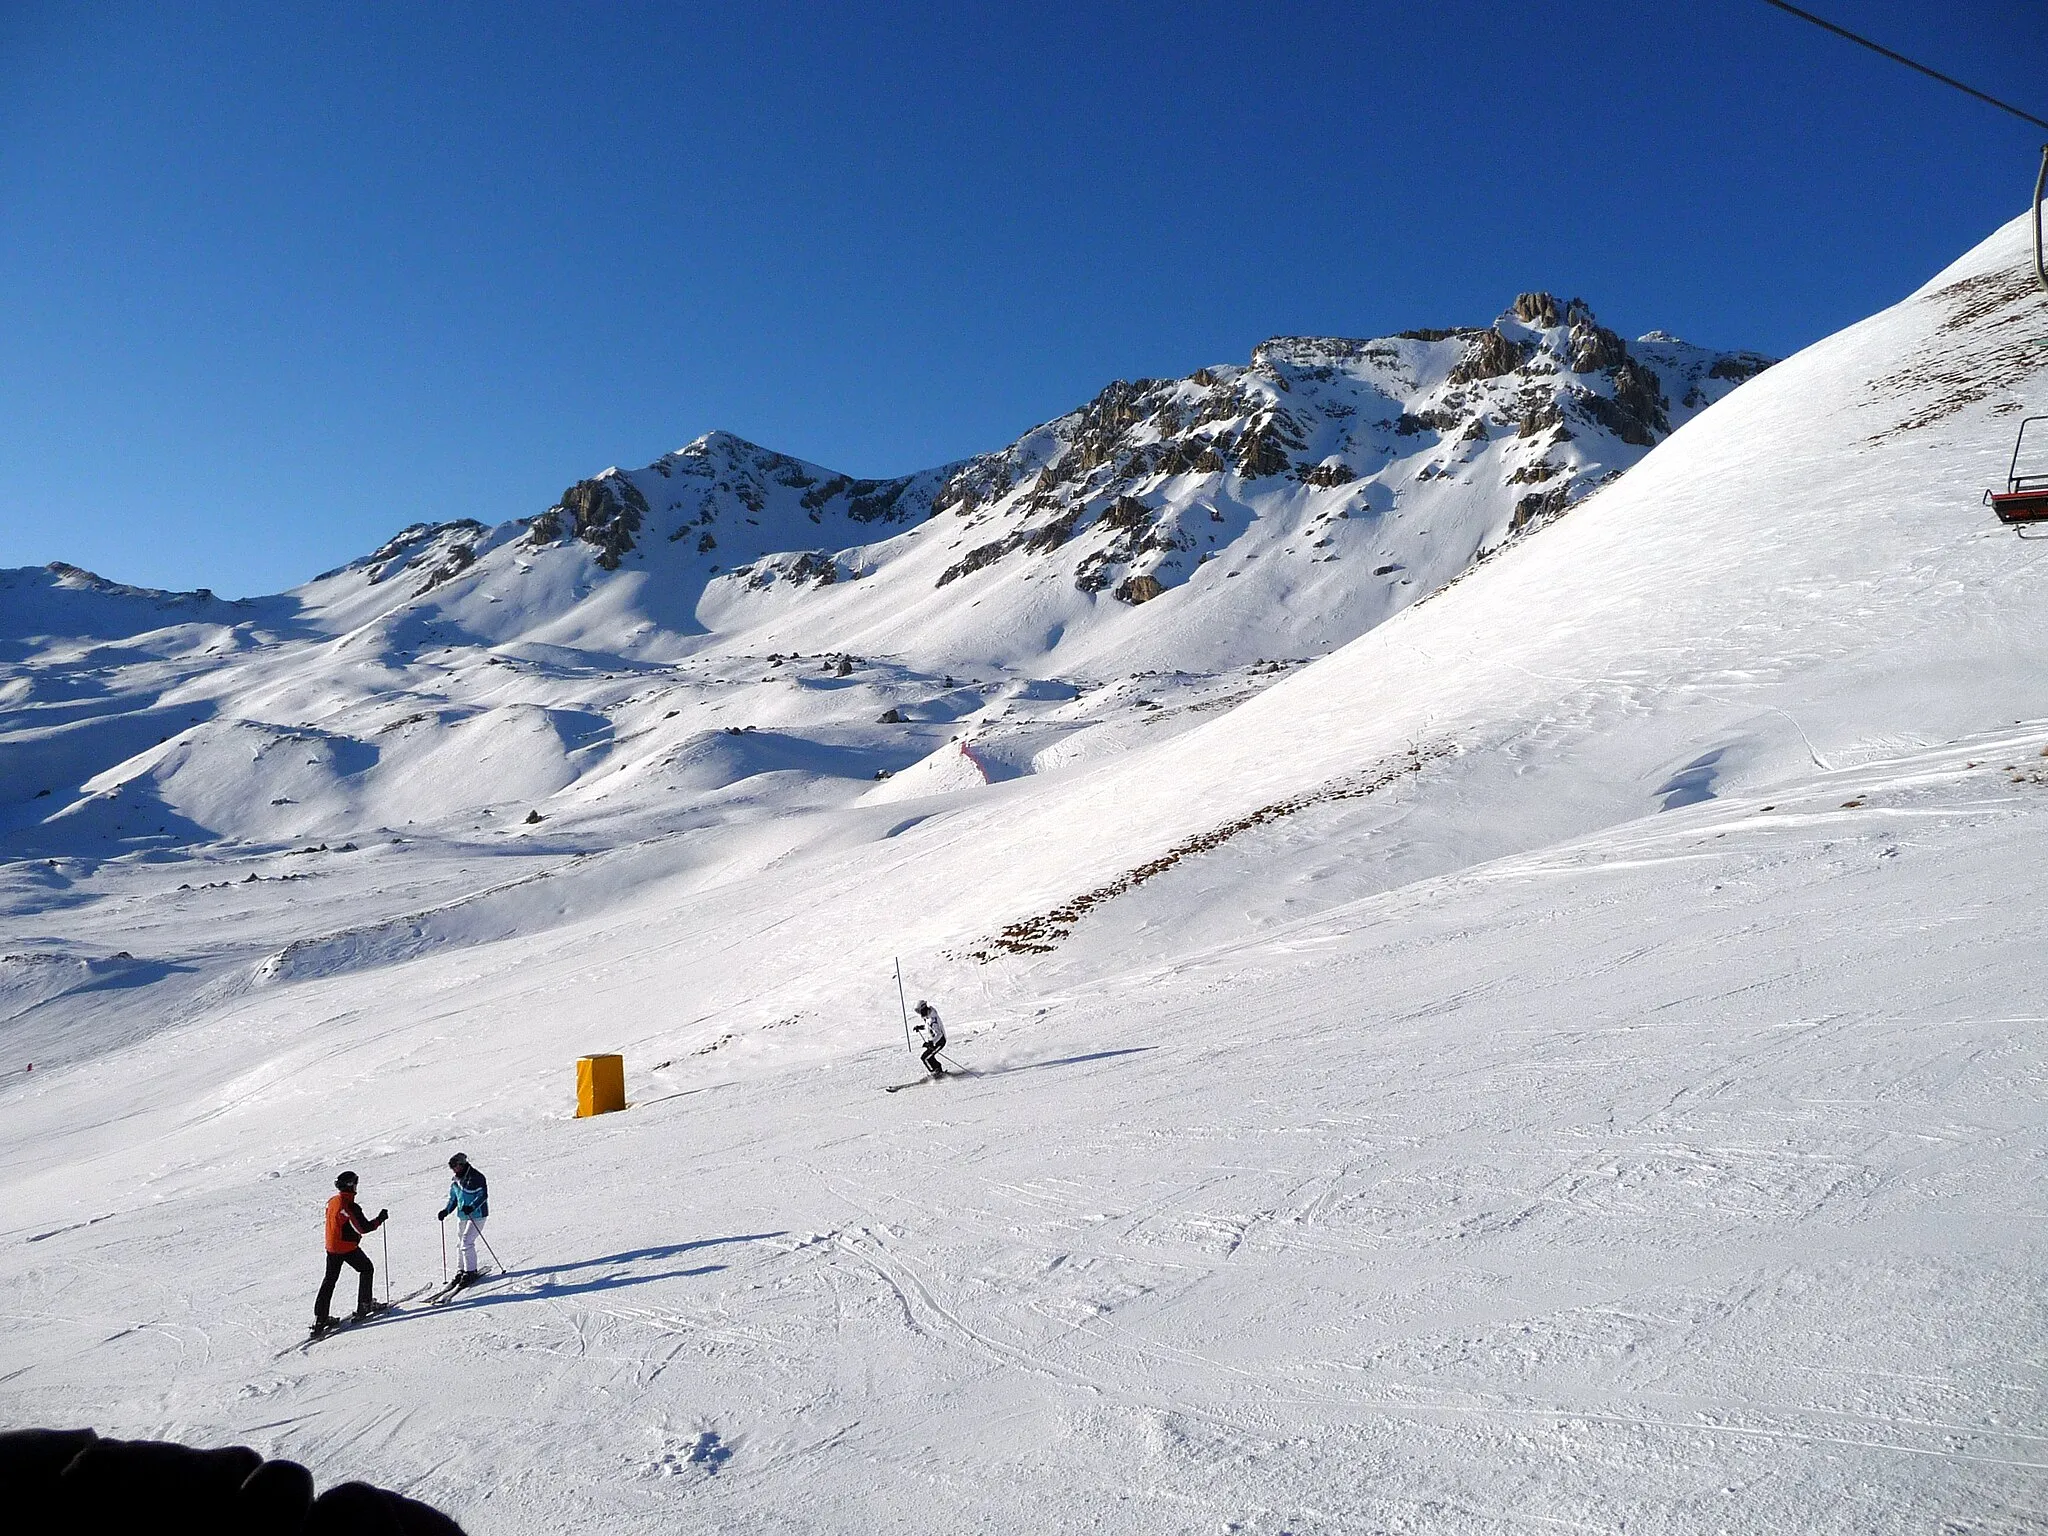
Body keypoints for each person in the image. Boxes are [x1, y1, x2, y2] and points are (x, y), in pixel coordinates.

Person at [315, 1171, 387, 1328]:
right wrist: (380, 1219)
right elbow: (363, 1228)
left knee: (329, 1280)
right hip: (345, 1247)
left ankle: (321, 1318)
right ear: (351, 1186)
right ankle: (364, 1304)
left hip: (331, 1247)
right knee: (366, 1268)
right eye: (355, 1183)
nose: (356, 1186)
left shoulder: (332, 1201)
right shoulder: (349, 1206)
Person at [437, 1153, 489, 1283]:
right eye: (452, 1167)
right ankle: (461, 1270)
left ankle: (471, 1271)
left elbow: (483, 1195)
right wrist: (446, 1211)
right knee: (460, 1243)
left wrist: (472, 1207)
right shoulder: (456, 1181)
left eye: (455, 1166)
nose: (453, 1169)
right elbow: (453, 1199)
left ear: (462, 1164)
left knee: (466, 1241)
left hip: (477, 1215)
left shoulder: (476, 1177)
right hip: (463, 1216)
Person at [912, 1000, 946, 1078]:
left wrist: (931, 1043)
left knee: (926, 1058)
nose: (919, 1014)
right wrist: (921, 1027)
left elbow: (939, 1034)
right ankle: (938, 1070)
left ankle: (935, 1072)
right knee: (927, 1057)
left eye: (919, 1011)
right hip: (936, 1041)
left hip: (940, 1041)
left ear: (923, 1008)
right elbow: (929, 1026)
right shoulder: (929, 1016)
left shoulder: (933, 1019)